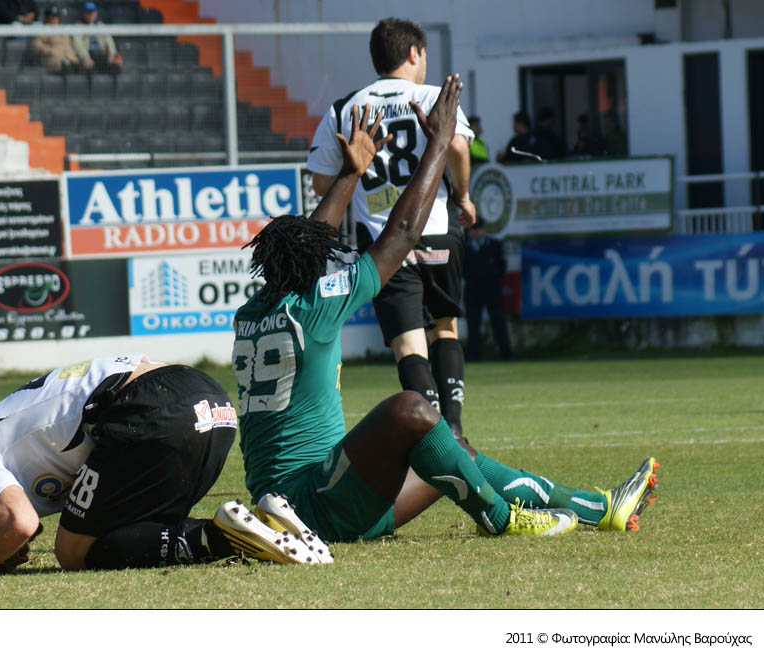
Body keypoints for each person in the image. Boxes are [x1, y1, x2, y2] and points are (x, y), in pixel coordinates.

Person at [236, 78, 660, 545]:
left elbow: (310, 245)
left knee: (451, 451)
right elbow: (402, 233)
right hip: (311, 507)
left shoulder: (253, 313)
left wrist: (352, 173)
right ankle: (500, 518)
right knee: (409, 408)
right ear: (309, 265)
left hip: (317, 499)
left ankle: (600, 507)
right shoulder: (316, 306)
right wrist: (438, 143)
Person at [0, 355, 332, 580]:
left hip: (153, 405)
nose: (19, 560)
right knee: (128, 536)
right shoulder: (26, 466)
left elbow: (16, 523)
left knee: (72, 552)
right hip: (211, 402)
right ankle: (268, 523)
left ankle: (220, 537)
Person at [307, 17, 475, 444]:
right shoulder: (432, 95)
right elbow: (457, 145)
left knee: (407, 345)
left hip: (384, 245)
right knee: (444, 327)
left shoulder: (346, 107)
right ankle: (454, 426)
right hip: (437, 228)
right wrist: (462, 196)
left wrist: (362, 179)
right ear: (414, 52)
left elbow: (320, 182)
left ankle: (435, 436)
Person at [463, 220, 512, 361]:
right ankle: (473, 356)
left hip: (492, 289)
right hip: (472, 290)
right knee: (473, 325)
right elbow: (462, 269)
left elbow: (502, 266)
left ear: (483, 229)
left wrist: (489, 276)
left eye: (478, 229)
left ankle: (506, 354)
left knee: (498, 322)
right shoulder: (464, 246)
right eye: (473, 229)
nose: (476, 232)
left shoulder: (494, 245)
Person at [71, 2, 123, 75]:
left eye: (92, 12)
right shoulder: (78, 27)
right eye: (88, 12)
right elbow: (78, 45)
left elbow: (109, 41)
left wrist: (111, 55)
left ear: (96, 13)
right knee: (89, 69)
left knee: (115, 66)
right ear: (83, 13)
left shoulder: (101, 26)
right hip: (87, 55)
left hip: (101, 55)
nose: (90, 15)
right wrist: (85, 58)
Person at [31, 7, 82, 73]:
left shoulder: (63, 30)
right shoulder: (43, 30)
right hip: (52, 60)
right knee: (64, 66)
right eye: (52, 17)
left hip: (69, 58)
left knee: (81, 66)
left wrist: (73, 57)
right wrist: (50, 50)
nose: (55, 19)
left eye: (57, 17)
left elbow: (69, 46)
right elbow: (36, 45)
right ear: (47, 18)